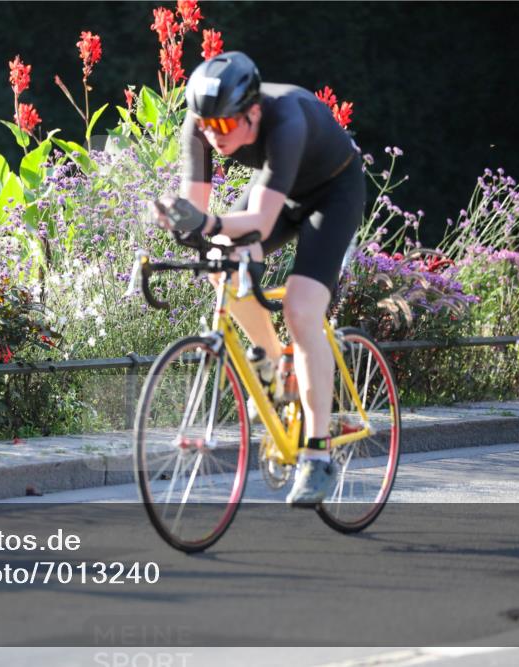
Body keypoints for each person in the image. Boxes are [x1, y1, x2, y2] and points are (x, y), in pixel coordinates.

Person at [150, 51, 365, 506]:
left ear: (253, 112)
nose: (213, 134)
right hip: (281, 192)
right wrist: (180, 223)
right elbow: (199, 218)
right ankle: (273, 365)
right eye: (205, 125)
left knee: (302, 309)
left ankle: (317, 455)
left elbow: (261, 223)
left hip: (333, 192)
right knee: (221, 260)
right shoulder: (203, 125)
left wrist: (205, 224)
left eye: (225, 126)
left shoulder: (285, 118)